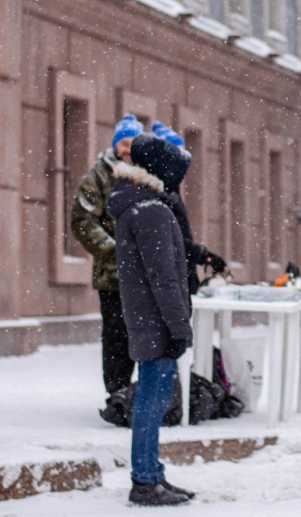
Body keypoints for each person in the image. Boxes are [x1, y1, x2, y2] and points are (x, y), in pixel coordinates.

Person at [107, 133, 194, 506]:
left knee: (152, 399)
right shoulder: (152, 211)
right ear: (162, 171)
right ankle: (144, 480)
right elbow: (165, 278)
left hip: (147, 318)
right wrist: (179, 328)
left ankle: (151, 473)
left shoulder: (141, 206)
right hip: (157, 322)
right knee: (151, 401)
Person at [70, 113, 143, 421]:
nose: (128, 149)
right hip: (112, 277)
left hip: (142, 279)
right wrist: (116, 251)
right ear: (115, 145)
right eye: (124, 143)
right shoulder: (98, 177)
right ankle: (117, 394)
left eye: (133, 143)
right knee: (116, 336)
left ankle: (136, 394)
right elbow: (82, 221)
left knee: (141, 336)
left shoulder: (144, 175)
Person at [151, 122, 228, 294]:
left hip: (180, 278)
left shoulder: (170, 190)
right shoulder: (159, 194)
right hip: (170, 282)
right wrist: (202, 254)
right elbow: (169, 240)